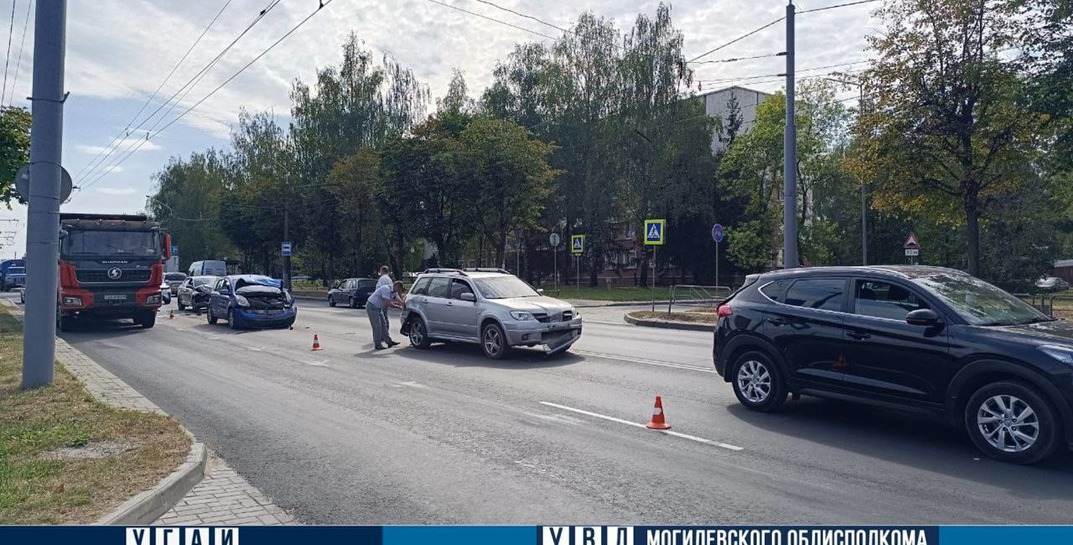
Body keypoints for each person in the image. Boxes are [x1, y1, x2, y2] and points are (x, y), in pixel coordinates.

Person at [366, 280, 403, 350]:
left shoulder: (394, 292)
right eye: (399, 289)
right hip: (372, 306)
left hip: (378, 308)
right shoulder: (386, 289)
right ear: (396, 286)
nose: (399, 291)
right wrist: (398, 307)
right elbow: (387, 303)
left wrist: (403, 305)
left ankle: (389, 342)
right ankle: (377, 344)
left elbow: (399, 300)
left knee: (384, 324)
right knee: (377, 326)